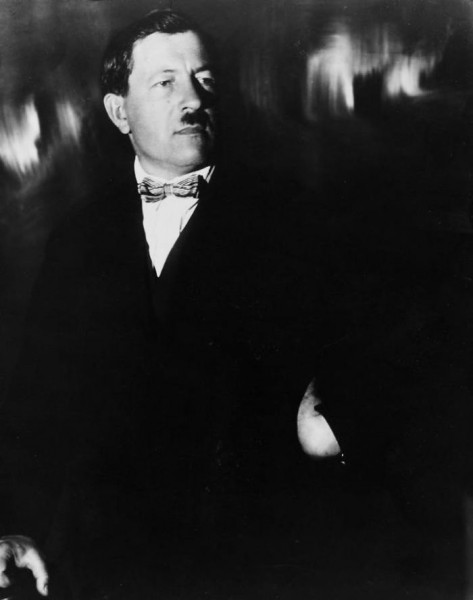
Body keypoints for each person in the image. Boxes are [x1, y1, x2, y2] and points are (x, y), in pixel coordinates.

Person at [0, 8, 467, 600]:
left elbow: (413, 341)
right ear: (119, 112)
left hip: (258, 558)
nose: (193, 98)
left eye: (205, 80)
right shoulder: (78, 237)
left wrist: (334, 420)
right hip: (111, 561)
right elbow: (38, 404)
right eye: (165, 82)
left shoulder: (297, 219)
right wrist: (14, 524)